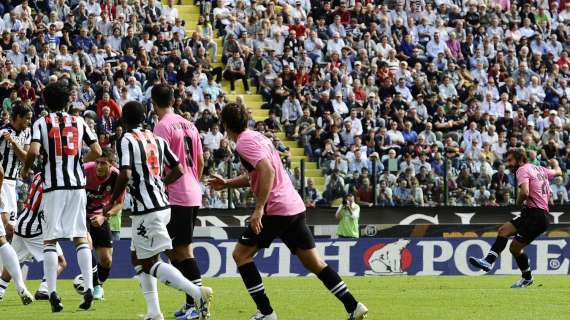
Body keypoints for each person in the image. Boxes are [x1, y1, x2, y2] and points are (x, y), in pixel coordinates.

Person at [208, 103, 368, 320]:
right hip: (293, 206)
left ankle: (266, 313)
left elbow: (267, 171)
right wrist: (227, 183)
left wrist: (259, 208)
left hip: (276, 209)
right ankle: (353, 305)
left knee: (241, 255)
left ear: (225, 124)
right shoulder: (256, 136)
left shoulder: (244, 142)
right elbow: (257, 174)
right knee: (314, 263)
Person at [103, 101, 212, 320]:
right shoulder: (156, 138)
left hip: (147, 210)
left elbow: (124, 174)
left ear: (123, 119)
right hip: (162, 205)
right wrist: (161, 183)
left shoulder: (126, 139)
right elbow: (179, 169)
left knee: (148, 262)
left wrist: (110, 201)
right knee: (137, 258)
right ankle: (154, 312)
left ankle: (196, 292)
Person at [21, 81, 102, 312]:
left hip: (53, 187)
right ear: (67, 101)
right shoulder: (79, 121)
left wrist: (27, 169)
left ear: (45, 102)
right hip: (77, 186)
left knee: (50, 239)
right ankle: (88, 287)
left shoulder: (41, 123)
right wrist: (76, 163)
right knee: (79, 236)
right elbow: (96, 151)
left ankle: (53, 292)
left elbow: (34, 151)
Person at [469, 148, 563, 288]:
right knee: (504, 230)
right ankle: (488, 261)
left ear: (519, 159)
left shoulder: (522, 169)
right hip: (533, 213)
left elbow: (525, 193)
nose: (509, 164)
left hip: (536, 215)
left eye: (511, 160)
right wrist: (555, 163)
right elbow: (558, 172)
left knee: (514, 248)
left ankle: (527, 278)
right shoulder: (539, 169)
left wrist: (518, 202)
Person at [151, 84, 207, 320]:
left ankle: (199, 301)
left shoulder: (161, 127)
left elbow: (159, 162)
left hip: (176, 195)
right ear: (173, 100)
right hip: (193, 192)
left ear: (153, 103)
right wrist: (194, 183)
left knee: (181, 251)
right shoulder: (190, 124)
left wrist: (162, 184)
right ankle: (190, 301)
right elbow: (201, 160)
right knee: (176, 251)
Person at [0, 174, 67, 301]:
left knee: (13, 260)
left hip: (22, 222)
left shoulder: (38, 175)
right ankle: (44, 289)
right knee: (61, 262)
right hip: (35, 227)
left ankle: (0, 289)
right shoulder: (55, 181)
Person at [84, 147, 124, 300]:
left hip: (99, 215)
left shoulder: (117, 176)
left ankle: (98, 284)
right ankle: (91, 284)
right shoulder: (85, 170)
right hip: (79, 214)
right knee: (86, 248)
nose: (98, 166)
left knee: (106, 260)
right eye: (97, 162)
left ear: (111, 164)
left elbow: (119, 204)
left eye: (103, 163)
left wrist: (103, 216)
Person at [0, 104, 32, 242]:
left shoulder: (27, 133)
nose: (29, 121)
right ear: (18, 117)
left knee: (11, 229)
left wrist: (13, 142)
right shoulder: (2, 132)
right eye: (27, 118)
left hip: (13, 183)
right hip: (1, 181)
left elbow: (26, 158)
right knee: (5, 222)